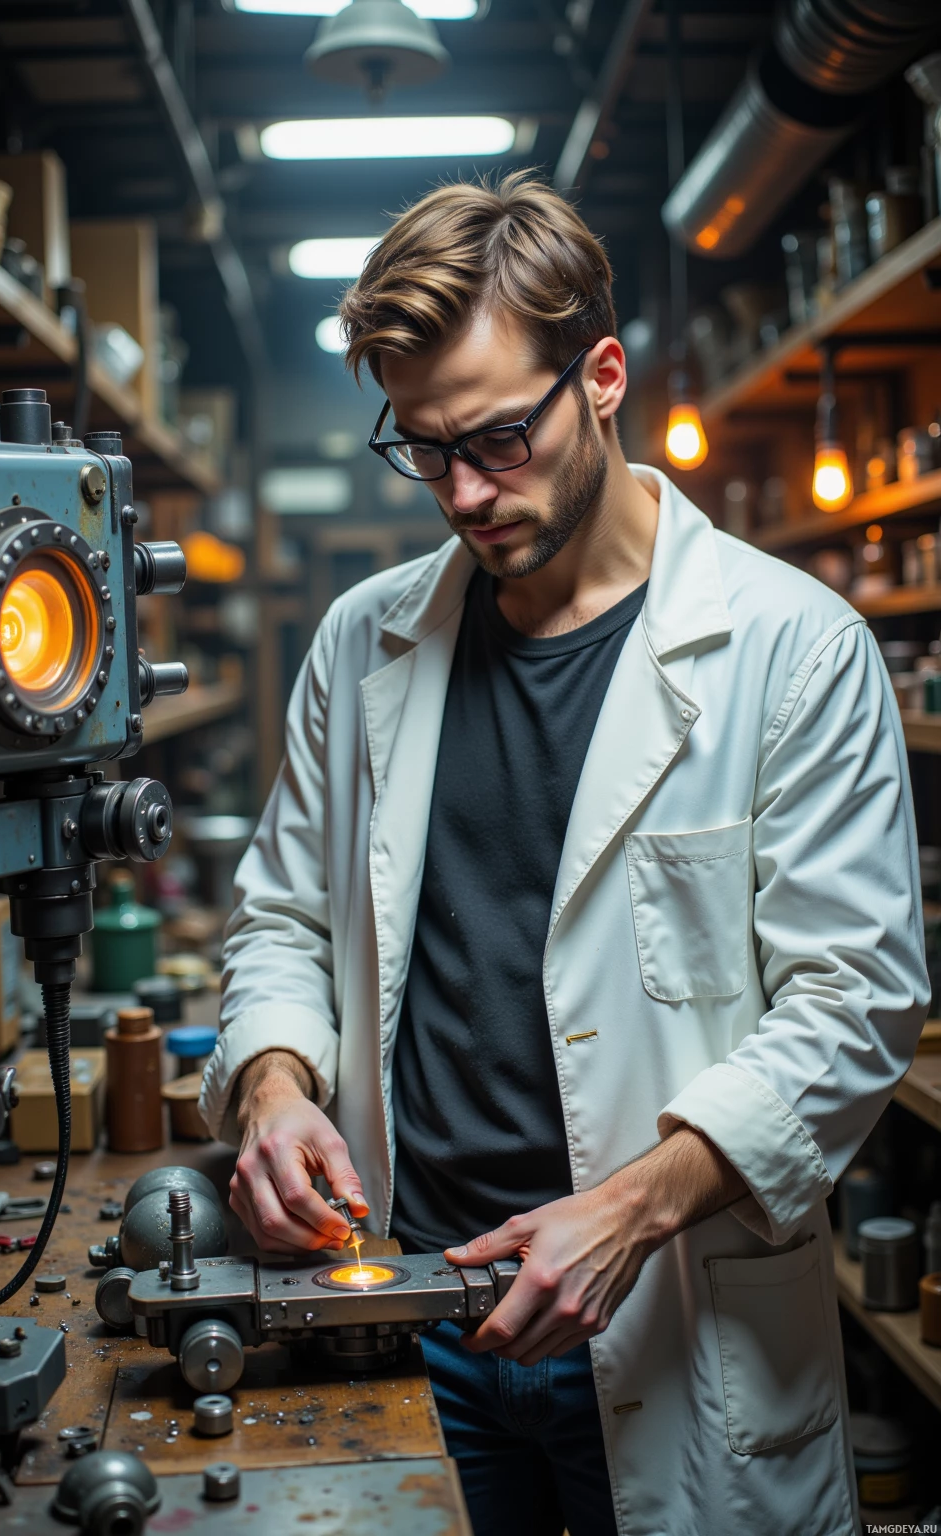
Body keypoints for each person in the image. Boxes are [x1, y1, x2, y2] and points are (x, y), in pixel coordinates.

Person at [199, 171, 928, 1536]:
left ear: (601, 377)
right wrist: (278, 1092)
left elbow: (859, 1004)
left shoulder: (791, 650)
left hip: (666, 1322)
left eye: (496, 440)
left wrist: (636, 1206)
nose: (463, 493)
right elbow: (285, 923)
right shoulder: (364, 642)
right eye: (421, 449)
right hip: (406, 1317)